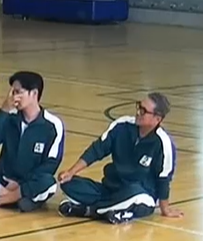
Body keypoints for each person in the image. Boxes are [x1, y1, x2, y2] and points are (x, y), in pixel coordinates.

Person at [57, 93, 182, 224]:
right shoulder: (122, 125)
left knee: (138, 198)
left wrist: (165, 209)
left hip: (138, 194)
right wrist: (71, 172)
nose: (138, 112)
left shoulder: (163, 143)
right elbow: (96, 150)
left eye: (144, 111)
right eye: (139, 107)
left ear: (157, 119)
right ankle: (113, 211)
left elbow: (163, 179)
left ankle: (89, 210)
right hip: (110, 189)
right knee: (67, 183)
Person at [0, 71, 65, 211]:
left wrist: (21, 183)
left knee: (48, 182)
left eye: (18, 92)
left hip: (29, 182)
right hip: (4, 181)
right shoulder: (9, 117)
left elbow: (51, 164)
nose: (13, 97)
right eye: (12, 92)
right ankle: (19, 199)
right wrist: (4, 110)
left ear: (34, 94)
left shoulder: (53, 125)